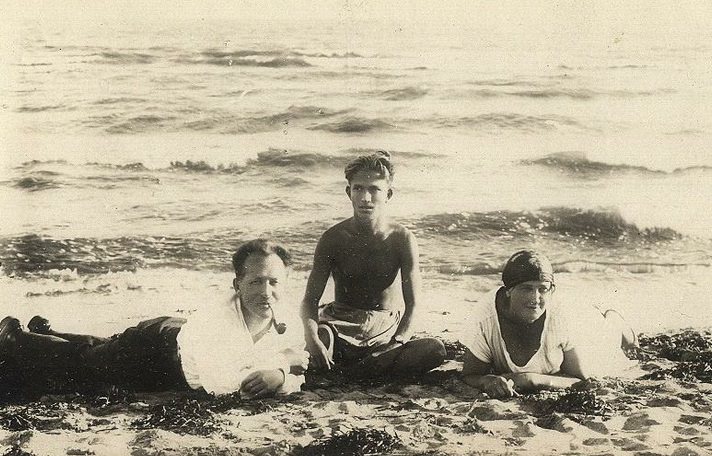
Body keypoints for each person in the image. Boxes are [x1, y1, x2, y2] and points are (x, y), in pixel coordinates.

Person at [0, 239, 308, 398]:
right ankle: (17, 338)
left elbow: (301, 361)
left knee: (105, 346)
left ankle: (45, 331)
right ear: (237, 285)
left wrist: (282, 369)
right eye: (255, 282)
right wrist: (281, 371)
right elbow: (227, 385)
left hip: (176, 335)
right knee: (87, 363)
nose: (266, 292)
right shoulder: (220, 319)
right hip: (154, 350)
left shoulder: (286, 316)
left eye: (274, 282)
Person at [301, 151, 446, 377]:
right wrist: (312, 341)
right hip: (340, 324)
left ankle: (360, 370)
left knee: (434, 349)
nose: (365, 198)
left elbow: (413, 305)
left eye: (374, 189)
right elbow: (310, 300)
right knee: (321, 338)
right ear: (349, 192)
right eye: (358, 188)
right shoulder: (333, 238)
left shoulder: (402, 239)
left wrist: (397, 342)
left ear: (388, 194)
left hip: (384, 328)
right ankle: (364, 370)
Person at [461, 250, 638, 398]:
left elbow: (580, 379)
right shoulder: (485, 317)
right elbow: (470, 374)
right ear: (509, 290)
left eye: (543, 289)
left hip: (584, 331)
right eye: (526, 288)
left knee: (610, 338)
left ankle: (616, 320)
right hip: (569, 327)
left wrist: (530, 379)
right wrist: (488, 380)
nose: (535, 299)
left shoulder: (560, 316)